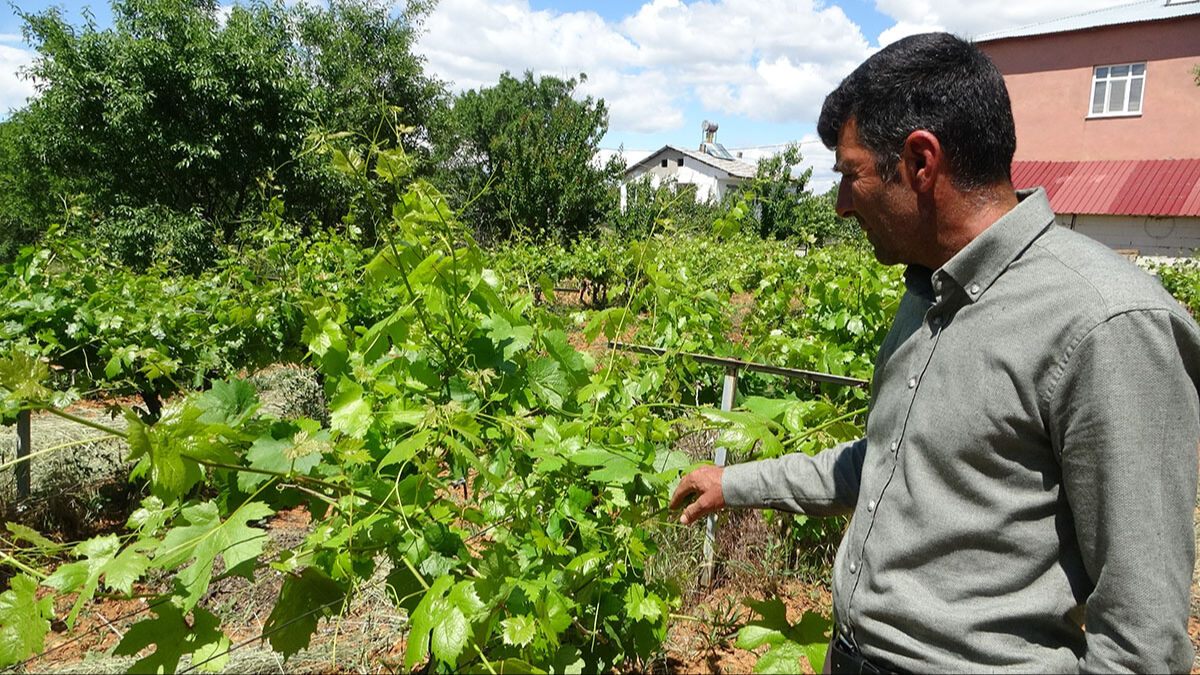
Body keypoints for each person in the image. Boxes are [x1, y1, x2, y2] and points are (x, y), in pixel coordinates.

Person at [670, 32, 1200, 673]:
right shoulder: (930, 286)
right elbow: (893, 460)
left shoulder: (1107, 324)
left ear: (922, 163)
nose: (839, 207)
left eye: (850, 175)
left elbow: (1142, 639)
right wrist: (735, 483)